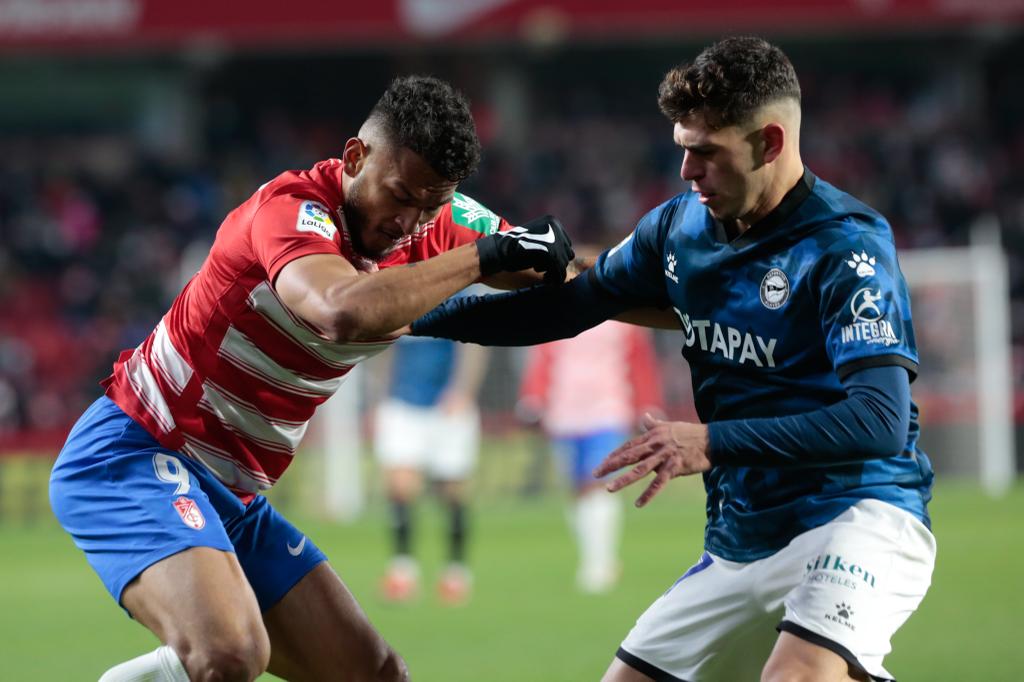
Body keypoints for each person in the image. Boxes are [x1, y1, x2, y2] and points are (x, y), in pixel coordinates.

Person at [410, 36, 935, 682]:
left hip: (859, 515)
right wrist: (414, 318)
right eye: (683, 149)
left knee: (797, 676)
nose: (687, 172)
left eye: (706, 153)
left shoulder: (846, 247)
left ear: (770, 144)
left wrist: (712, 440)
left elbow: (879, 422)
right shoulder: (676, 228)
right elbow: (566, 307)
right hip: (742, 540)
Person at [48, 75, 573, 682]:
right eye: (400, 195)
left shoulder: (438, 219)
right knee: (230, 653)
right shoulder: (291, 209)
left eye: (431, 205)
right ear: (355, 157)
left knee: (374, 676)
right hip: (138, 450)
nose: (411, 221)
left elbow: (568, 270)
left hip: (230, 494)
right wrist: (486, 257)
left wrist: (684, 276)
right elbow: (339, 310)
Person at [517, 320, 662, 594]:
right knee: (577, 490)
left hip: (607, 410)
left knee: (597, 483)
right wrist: (534, 398)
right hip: (564, 414)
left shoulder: (623, 314)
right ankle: (590, 556)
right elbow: (543, 358)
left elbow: (639, 360)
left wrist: (647, 402)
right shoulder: (559, 310)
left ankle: (600, 562)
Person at [372, 312, 488, 605]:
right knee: (400, 487)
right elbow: (384, 347)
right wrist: (381, 396)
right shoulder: (400, 294)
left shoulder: (455, 292)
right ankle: (402, 570)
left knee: (452, 492)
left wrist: (463, 391)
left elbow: (474, 346)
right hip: (404, 403)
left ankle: (455, 571)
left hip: (448, 405)